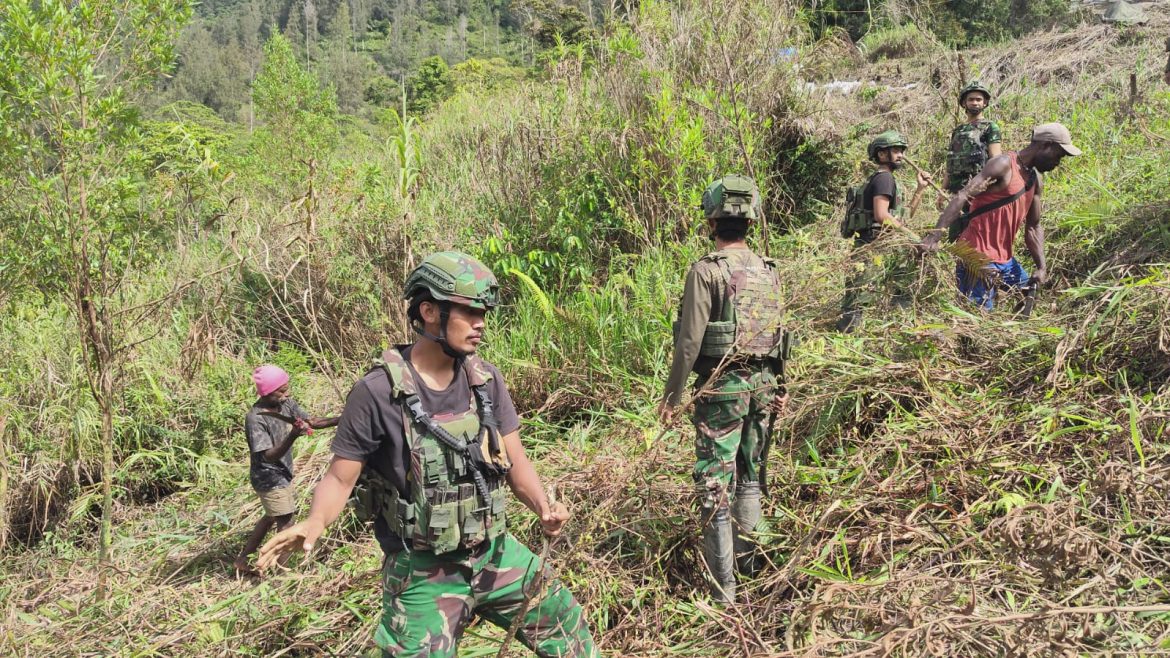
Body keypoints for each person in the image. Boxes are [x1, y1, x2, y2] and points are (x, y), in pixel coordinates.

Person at [257, 252, 598, 658]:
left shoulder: (485, 381)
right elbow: (339, 478)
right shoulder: (377, 392)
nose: (480, 323)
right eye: (470, 312)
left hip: (495, 553)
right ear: (430, 311)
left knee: (566, 628)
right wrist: (313, 524)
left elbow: (515, 459)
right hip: (422, 571)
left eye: (484, 313)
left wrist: (543, 505)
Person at [657, 175, 789, 604]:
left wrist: (672, 397)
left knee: (715, 486)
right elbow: (781, 337)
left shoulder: (706, 271)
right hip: (765, 386)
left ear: (711, 221)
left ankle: (724, 593)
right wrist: (781, 386)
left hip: (723, 389)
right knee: (749, 477)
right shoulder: (769, 270)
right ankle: (751, 572)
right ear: (751, 220)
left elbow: (689, 342)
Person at [922, 123, 1081, 309]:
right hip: (976, 255)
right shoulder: (1003, 164)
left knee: (1027, 295)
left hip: (1004, 260)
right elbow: (963, 195)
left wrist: (1041, 267)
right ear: (1046, 145)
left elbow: (1033, 226)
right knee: (977, 317)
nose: (1058, 161)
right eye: (1059, 155)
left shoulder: (1035, 179)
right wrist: (934, 236)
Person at [235, 365, 339, 574]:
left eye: (286, 389)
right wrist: (292, 435)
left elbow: (312, 422)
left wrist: (342, 419)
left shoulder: (286, 404)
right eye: (281, 391)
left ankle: (243, 558)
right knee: (286, 522)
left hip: (282, 472)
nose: (286, 394)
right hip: (268, 477)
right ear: (265, 393)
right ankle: (280, 572)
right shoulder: (255, 418)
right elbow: (267, 456)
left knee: (271, 516)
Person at [837, 130, 933, 332]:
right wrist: (913, 238)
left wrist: (920, 189)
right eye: (896, 151)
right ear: (881, 155)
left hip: (879, 245)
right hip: (872, 244)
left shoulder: (883, 179)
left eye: (901, 151)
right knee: (858, 296)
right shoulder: (884, 179)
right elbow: (882, 216)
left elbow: (901, 217)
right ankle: (850, 335)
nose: (901, 155)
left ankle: (896, 328)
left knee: (899, 283)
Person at [940, 81, 1004, 241]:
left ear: (985, 103)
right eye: (971, 99)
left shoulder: (990, 127)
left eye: (979, 99)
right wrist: (942, 191)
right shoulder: (958, 130)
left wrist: (994, 189)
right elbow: (951, 161)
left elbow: (996, 159)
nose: (975, 102)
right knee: (955, 238)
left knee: (978, 237)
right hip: (957, 192)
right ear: (964, 103)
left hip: (979, 191)